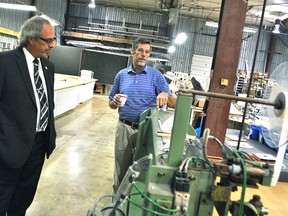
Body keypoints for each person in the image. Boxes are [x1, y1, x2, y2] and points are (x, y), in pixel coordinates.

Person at [0, 16, 57, 216]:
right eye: (47, 40)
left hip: (38, 146)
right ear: (31, 39)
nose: (52, 45)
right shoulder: (4, 63)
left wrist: (50, 137)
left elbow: (48, 105)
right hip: (8, 148)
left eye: (53, 40)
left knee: (24, 198)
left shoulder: (48, 68)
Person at [108, 37, 176, 192]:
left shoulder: (156, 76)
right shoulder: (121, 75)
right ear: (133, 51)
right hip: (124, 128)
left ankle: (133, 202)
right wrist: (115, 102)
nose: (143, 55)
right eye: (140, 50)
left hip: (146, 131)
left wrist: (166, 94)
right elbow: (111, 103)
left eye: (147, 52)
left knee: (141, 170)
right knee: (121, 168)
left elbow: (174, 102)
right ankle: (117, 201)